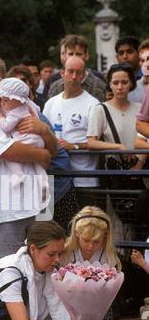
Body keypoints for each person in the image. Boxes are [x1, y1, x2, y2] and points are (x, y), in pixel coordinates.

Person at [0, 53, 57, 268]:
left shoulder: (23, 106)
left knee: (42, 275)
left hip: (36, 205)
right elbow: (8, 151)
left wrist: (46, 131)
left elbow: (54, 151)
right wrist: (42, 154)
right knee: (4, 279)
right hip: (0, 211)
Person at [5, 64, 80, 234]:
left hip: (58, 184)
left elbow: (53, 151)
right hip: (34, 189)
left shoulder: (35, 115)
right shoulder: (8, 114)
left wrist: (44, 130)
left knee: (62, 238)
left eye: (23, 82)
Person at [87, 63, 143, 234]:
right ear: (109, 84)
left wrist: (140, 162)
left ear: (131, 83)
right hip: (115, 175)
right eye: (116, 82)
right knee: (116, 226)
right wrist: (118, 147)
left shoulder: (140, 109)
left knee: (140, 223)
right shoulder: (101, 109)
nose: (120, 87)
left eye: (124, 82)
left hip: (140, 174)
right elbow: (91, 142)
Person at [43, 56, 100, 209]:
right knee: (57, 231)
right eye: (70, 72)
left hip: (84, 181)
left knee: (87, 230)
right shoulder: (51, 103)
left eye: (78, 73)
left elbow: (98, 143)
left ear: (84, 75)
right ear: (62, 73)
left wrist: (73, 146)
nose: (74, 77)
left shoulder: (93, 105)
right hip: (56, 180)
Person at [62, 206, 122, 320]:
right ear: (77, 233)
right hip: (70, 305)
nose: (90, 246)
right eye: (86, 240)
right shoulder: (66, 253)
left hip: (99, 305)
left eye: (96, 241)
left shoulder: (107, 255)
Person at [0, 77, 47, 189]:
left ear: (18, 101)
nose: (2, 104)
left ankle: (18, 174)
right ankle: (43, 184)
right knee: (37, 163)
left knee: (10, 157)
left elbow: (6, 127)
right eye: (2, 99)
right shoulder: (30, 104)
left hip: (26, 141)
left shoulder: (15, 112)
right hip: (39, 141)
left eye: (6, 101)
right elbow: (37, 109)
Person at [46, 35, 107, 102]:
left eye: (78, 54)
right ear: (64, 55)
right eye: (71, 54)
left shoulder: (99, 87)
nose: (74, 57)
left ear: (86, 56)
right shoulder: (55, 88)